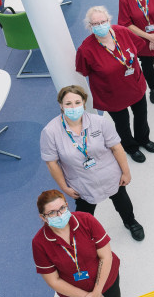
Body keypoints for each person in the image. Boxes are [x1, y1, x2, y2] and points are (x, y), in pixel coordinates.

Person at [40, 85, 144, 241]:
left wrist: (126, 172)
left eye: (77, 102)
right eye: (68, 103)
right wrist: (64, 187)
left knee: (121, 200)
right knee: (84, 213)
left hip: (110, 174)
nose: (73, 107)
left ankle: (130, 222)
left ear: (84, 102)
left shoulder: (99, 122)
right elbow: (52, 163)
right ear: (61, 105)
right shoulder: (50, 132)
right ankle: (84, 234)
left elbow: (116, 148)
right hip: (81, 182)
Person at [32, 190, 127, 297]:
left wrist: (97, 291)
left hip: (106, 279)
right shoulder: (39, 243)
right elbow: (53, 281)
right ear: (43, 217)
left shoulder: (86, 220)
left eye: (62, 208)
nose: (60, 215)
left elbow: (105, 256)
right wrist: (86, 296)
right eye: (52, 212)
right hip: (74, 293)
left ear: (66, 206)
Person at [76, 6, 154, 164]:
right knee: (122, 123)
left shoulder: (122, 32)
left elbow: (137, 47)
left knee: (141, 115)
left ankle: (143, 139)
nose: (100, 25)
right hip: (112, 94)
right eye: (95, 24)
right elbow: (82, 70)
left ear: (109, 20)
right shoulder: (86, 49)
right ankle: (131, 147)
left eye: (103, 21)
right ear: (90, 26)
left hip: (134, 85)